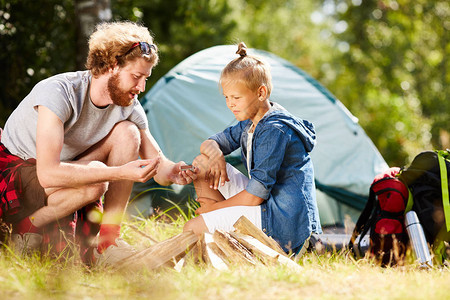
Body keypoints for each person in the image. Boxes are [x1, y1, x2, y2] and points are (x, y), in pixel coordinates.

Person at [0, 21, 196, 266]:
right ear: (113, 65)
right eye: (136, 77)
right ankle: (24, 229)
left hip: (67, 169)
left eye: (146, 78)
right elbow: (48, 173)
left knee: (128, 132)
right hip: (19, 172)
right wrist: (117, 173)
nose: (141, 87)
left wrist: (175, 172)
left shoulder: (127, 104)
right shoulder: (58, 93)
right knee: (96, 180)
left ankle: (108, 242)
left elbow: (159, 165)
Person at [183, 42, 322, 254]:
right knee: (202, 163)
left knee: (192, 229)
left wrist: (213, 210)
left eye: (236, 97)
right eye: (227, 98)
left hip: (284, 223)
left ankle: (218, 234)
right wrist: (217, 154)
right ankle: (222, 236)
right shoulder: (250, 122)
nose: (230, 104)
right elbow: (210, 143)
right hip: (266, 207)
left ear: (261, 93)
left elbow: (255, 196)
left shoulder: (274, 130)